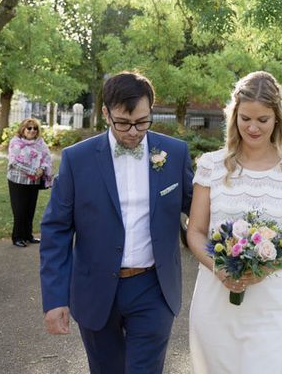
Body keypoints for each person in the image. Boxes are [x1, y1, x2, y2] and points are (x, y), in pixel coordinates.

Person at [40, 71, 193, 373]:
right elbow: (56, 230)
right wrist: (55, 298)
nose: (134, 132)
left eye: (143, 121)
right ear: (106, 113)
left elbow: (199, 211)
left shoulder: (174, 153)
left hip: (154, 288)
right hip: (95, 292)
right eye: (123, 122)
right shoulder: (77, 159)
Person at [187, 71, 282, 374]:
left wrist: (267, 265)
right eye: (245, 118)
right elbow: (195, 230)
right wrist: (218, 267)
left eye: (263, 120)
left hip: (273, 302)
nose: (253, 127)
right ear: (234, 116)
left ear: (277, 120)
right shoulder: (211, 166)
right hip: (215, 300)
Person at [7, 118, 52, 247]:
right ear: (23, 129)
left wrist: (42, 169)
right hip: (18, 181)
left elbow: (46, 158)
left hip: (33, 182)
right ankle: (17, 237)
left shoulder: (40, 143)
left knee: (30, 209)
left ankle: (28, 235)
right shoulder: (15, 143)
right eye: (29, 128)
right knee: (19, 210)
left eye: (35, 128)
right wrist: (33, 171)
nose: (32, 130)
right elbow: (14, 162)